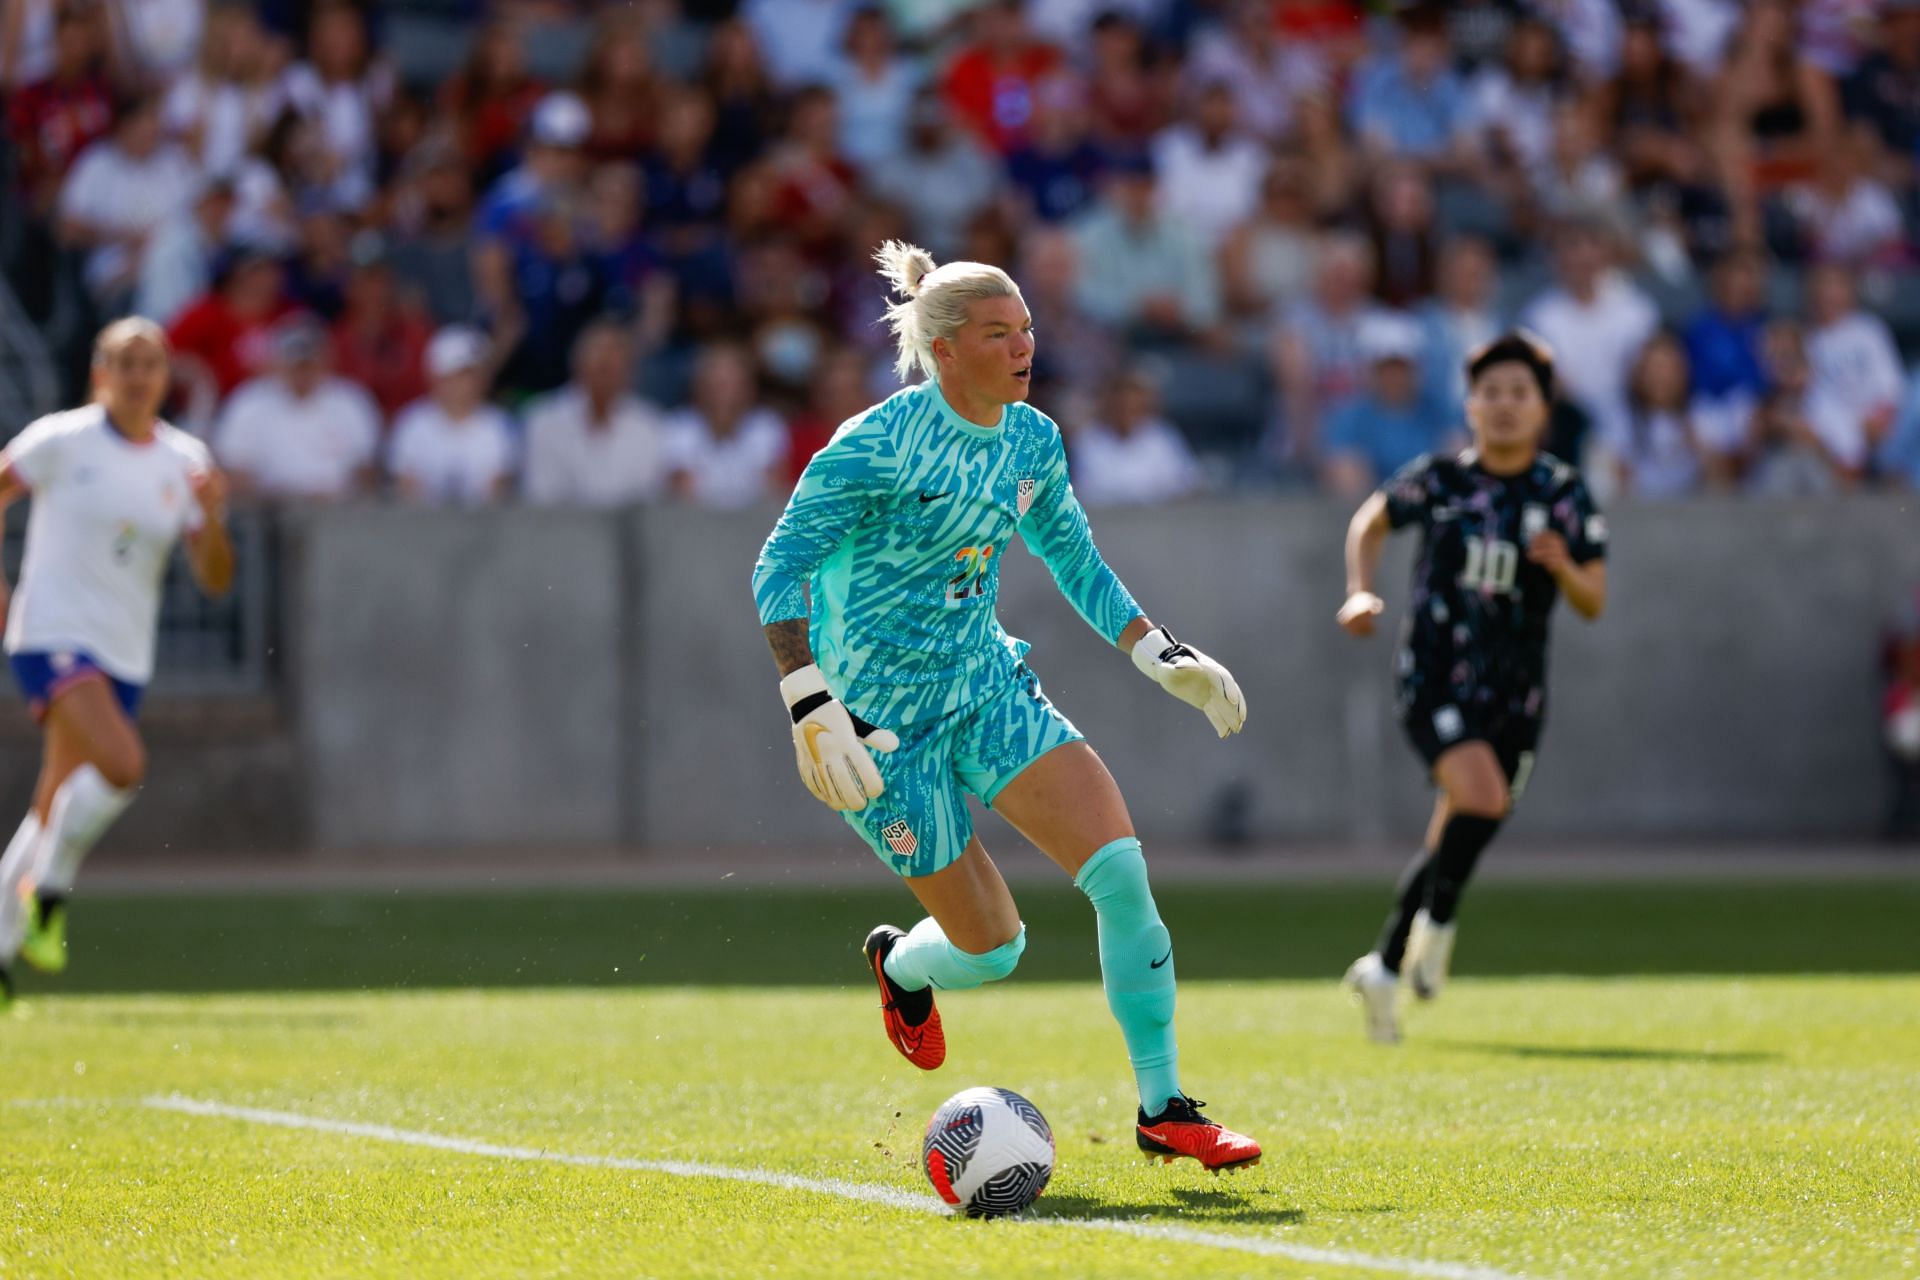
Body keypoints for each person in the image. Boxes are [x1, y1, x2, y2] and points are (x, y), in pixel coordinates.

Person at [751, 241, 1261, 1170]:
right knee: (991, 953)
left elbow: (1071, 554)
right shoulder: (876, 443)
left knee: (1121, 872)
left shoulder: (1032, 439)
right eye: (998, 333)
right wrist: (808, 699)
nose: (1024, 346)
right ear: (943, 350)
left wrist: (1157, 650)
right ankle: (903, 966)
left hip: (987, 688)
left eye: (1027, 328)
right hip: (876, 732)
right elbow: (777, 565)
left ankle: (1164, 1107)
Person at [1336, 331, 1607, 1045]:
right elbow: (1371, 520)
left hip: (1517, 692)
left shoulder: (1563, 493)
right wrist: (1360, 593)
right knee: (1480, 797)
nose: (1506, 406)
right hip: (1435, 677)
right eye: (1492, 393)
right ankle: (1428, 937)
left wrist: (1564, 568)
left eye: (1521, 393)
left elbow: (1594, 598)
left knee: (1469, 818)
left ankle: (1391, 958)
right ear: (1471, 404)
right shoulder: (1443, 480)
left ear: (1543, 407)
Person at [0, 318, 234, 999]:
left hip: (125, 652)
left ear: (166, 376)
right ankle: (51, 894)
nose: (137, 377)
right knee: (123, 764)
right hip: (50, 633)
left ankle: (4, 950)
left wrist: (214, 518)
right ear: (99, 373)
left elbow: (216, 577)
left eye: (151, 364)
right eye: (124, 363)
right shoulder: (61, 439)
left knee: (54, 806)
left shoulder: (185, 460)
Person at [522, 321, 667, 507]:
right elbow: (541, 497)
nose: (607, 364)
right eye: (600, 362)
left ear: (630, 371)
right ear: (577, 362)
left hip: (629, 533)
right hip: (560, 531)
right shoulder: (542, 420)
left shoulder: (650, 425)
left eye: (616, 359)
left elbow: (649, 498)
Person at [388, 327, 517, 507]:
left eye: (476, 373)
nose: (472, 382)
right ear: (437, 377)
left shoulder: (500, 425)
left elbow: (498, 494)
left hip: (485, 530)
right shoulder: (412, 424)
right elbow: (407, 493)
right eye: (463, 374)